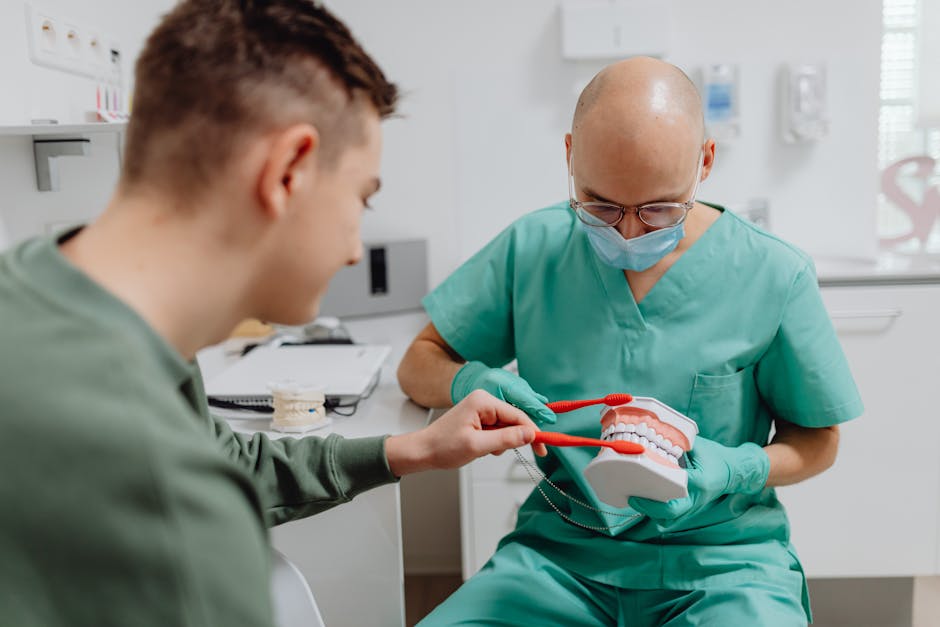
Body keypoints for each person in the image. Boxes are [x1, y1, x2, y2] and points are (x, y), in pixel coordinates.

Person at [0, 2, 548, 626]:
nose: (352, 249)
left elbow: (231, 461)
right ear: (288, 170)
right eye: (360, 198)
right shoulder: (162, 494)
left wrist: (410, 450)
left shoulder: (51, 294)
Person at [398, 56, 863, 625]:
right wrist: (472, 380)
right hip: (559, 558)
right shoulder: (534, 248)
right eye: (601, 205)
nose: (627, 232)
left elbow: (818, 439)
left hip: (723, 565)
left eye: (658, 209)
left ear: (705, 162)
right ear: (570, 155)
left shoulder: (772, 272)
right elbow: (417, 364)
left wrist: (740, 468)